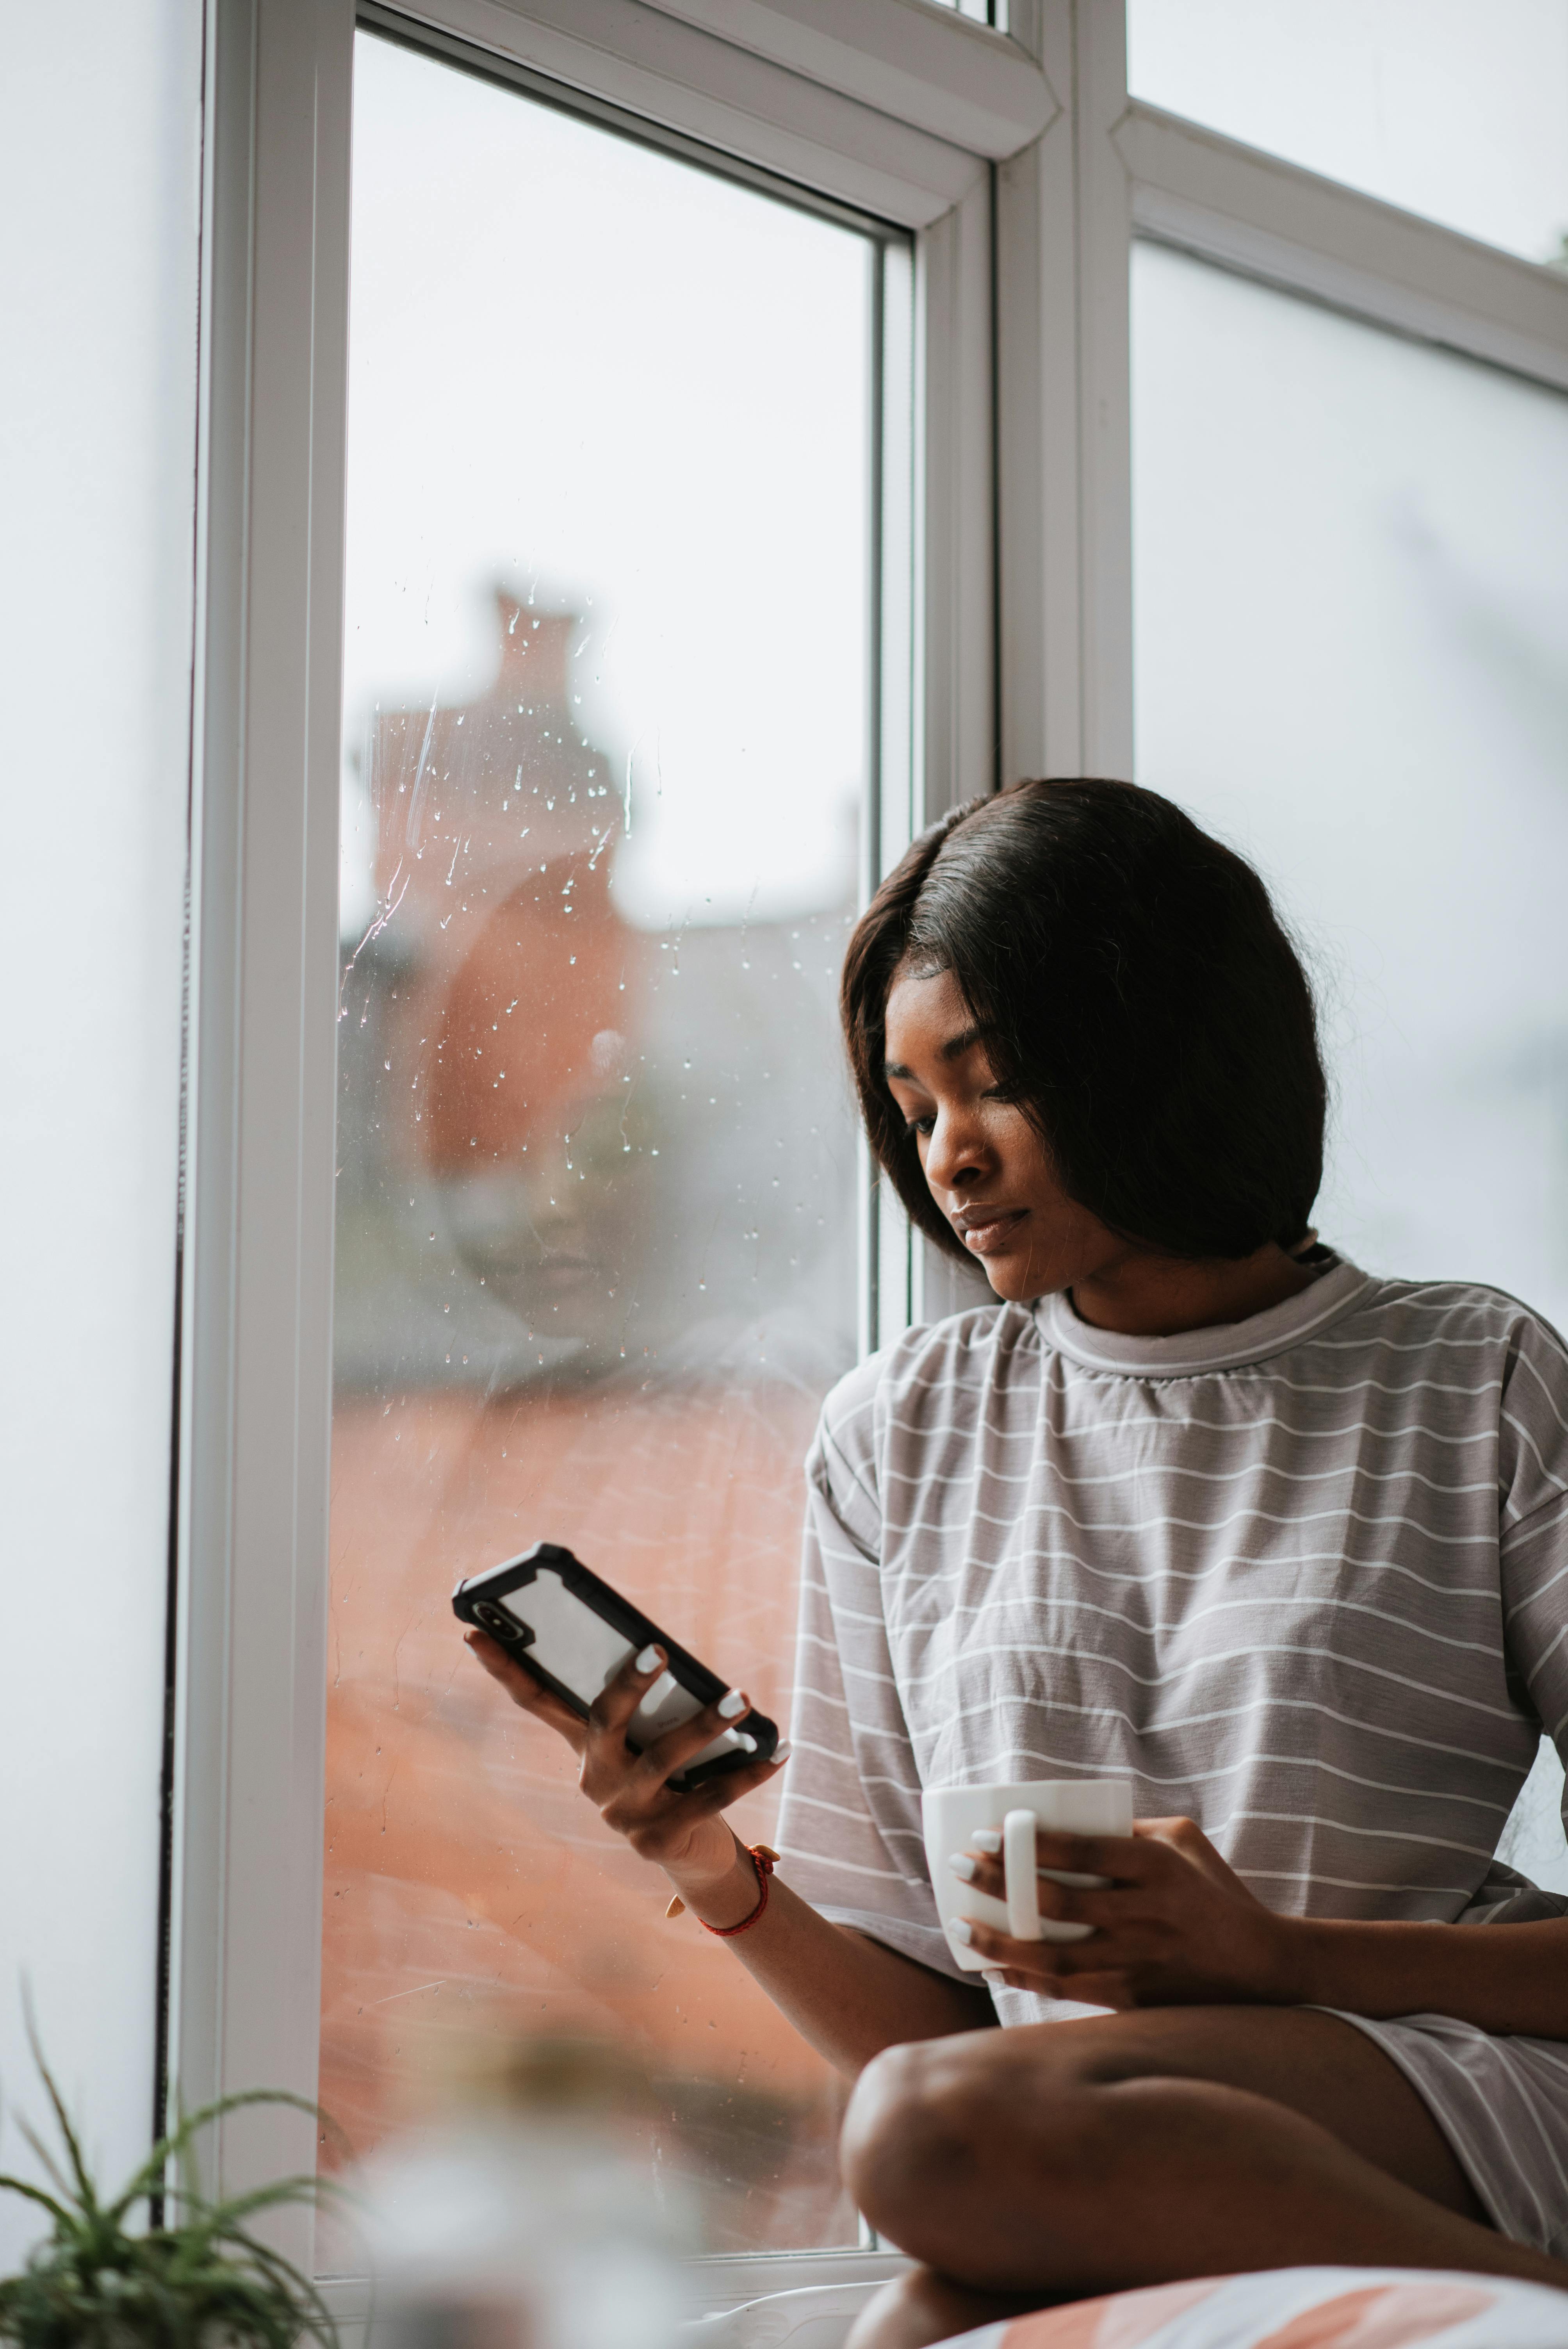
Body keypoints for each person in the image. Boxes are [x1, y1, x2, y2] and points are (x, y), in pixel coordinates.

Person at [465, 778, 1568, 2342]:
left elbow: (931, 2114)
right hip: (1055, 2130)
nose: (947, 1159)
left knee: (925, 2142)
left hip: (1439, 2092)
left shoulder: (1475, 1383)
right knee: (908, 2317)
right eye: (912, 1108)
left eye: (990, 1087)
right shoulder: (895, 1438)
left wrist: (1275, 1954)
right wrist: (706, 1866)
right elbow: (930, 2041)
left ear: (1153, 1047)